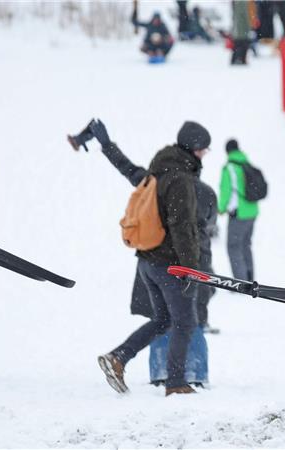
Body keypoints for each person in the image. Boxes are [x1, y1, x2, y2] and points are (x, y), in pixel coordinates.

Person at [97, 120, 211, 396]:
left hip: (147, 262)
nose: (205, 154)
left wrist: (107, 146)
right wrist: (190, 269)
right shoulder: (180, 179)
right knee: (185, 323)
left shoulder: (158, 171)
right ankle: (175, 383)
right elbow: (181, 226)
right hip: (169, 264)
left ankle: (118, 357)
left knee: (163, 320)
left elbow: (128, 170)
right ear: (194, 148)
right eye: (204, 149)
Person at [218, 139, 260, 281]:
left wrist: (221, 208)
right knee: (245, 244)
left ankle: (241, 282)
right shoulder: (245, 163)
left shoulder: (229, 167)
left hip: (239, 214)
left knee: (233, 246)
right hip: (252, 212)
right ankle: (249, 277)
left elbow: (226, 191)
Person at [231, 0, 253, 65]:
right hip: (243, 29)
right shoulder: (243, 2)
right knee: (243, 45)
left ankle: (235, 60)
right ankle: (242, 60)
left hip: (238, 29)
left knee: (237, 45)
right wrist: (249, 27)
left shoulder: (237, 3)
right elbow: (245, 16)